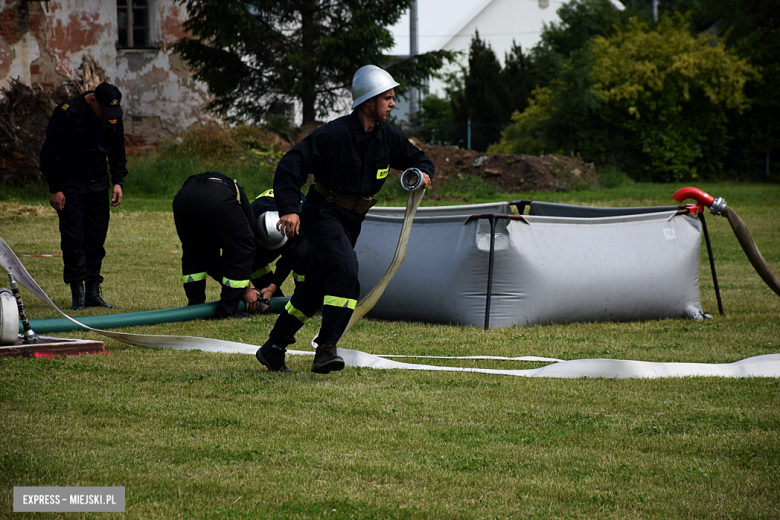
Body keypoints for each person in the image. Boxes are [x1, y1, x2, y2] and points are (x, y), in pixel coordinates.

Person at [255, 65, 434, 374]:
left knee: (314, 288)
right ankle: (326, 348)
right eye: (387, 98)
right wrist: (289, 208)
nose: (393, 104)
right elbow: (291, 165)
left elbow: (418, 158)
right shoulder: (332, 134)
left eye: (393, 98)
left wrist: (422, 173)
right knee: (346, 270)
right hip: (322, 213)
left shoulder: (388, 138)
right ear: (368, 102)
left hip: (351, 221)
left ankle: (273, 347)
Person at [40, 82, 128, 310]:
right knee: (73, 240)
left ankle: (92, 292)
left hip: (98, 185)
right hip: (71, 185)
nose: (107, 116)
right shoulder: (67, 113)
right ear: (92, 100)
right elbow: (51, 153)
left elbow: (118, 150)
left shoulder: (111, 115)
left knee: (96, 240)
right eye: (103, 111)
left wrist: (117, 180)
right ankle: (77, 293)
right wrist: (55, 188)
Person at [172, 171, 263, 319]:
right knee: (242, 247)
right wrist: (246, 290)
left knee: (194, 251)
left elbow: (211, 261)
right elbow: (243, 250)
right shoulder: (243, 207)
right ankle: (227, 311)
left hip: (184, 197)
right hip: (217, 196)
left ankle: (195, 308)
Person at [250, 189, 311, 303]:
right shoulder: (249, 217)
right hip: (261, 234)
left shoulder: (300, 218)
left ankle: (305, 297)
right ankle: (270, 296)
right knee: (253, 262)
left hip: (296, 228)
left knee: (302, 255)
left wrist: (274, 285)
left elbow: (288, 259)